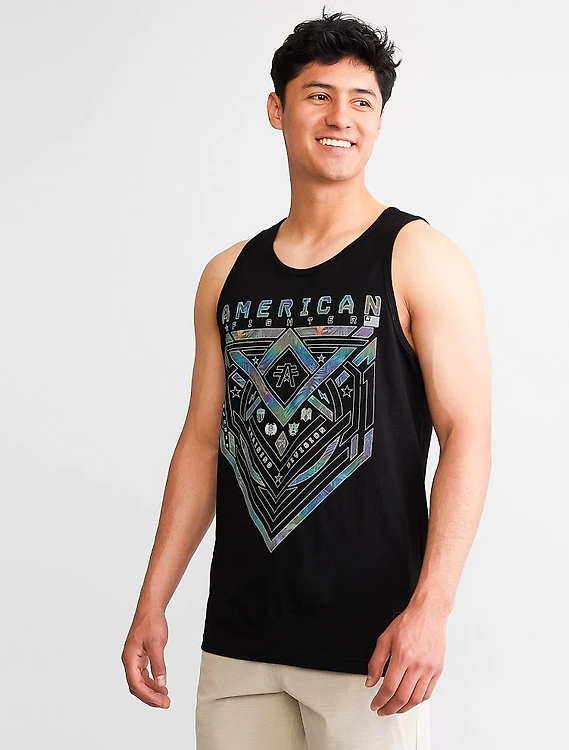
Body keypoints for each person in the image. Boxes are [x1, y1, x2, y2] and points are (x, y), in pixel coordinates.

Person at [121, 7, 492, 749]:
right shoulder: (227, 274)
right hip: (239, 642)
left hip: (373, 647)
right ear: (277, 109)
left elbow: (468, 437)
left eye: (362, 101)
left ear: (379, 120)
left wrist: (433, 609)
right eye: (318, 95)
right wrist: (152, 598)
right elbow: (202, 442)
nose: (340, 117)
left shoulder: (418, 256)